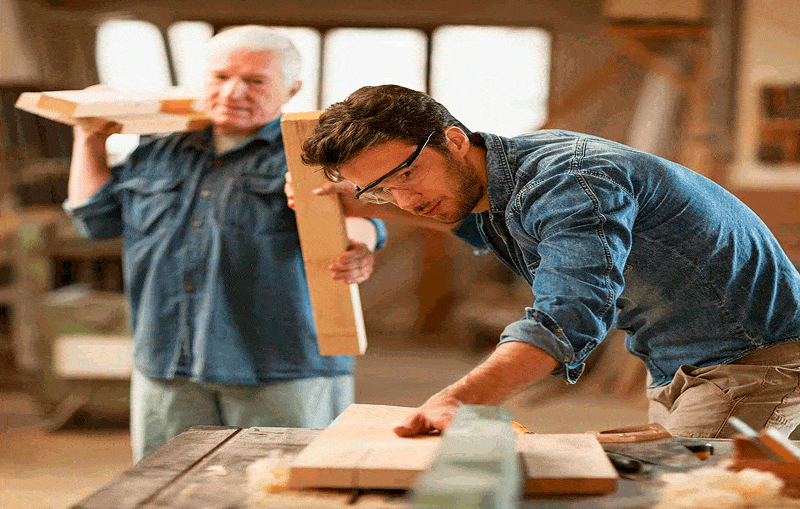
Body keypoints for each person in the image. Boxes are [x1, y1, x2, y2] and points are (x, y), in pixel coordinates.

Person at [299, 84, 800, 439]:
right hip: (679, 362)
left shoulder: (570, 182)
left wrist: (458, 399)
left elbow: (568, 316)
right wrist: (350, 201)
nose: (404, 201)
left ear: (452, 138)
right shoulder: (509, 169)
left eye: (406, 174)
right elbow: (463, 215)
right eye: (382, 190)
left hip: (752, 361)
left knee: (701, 496)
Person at [66, 26, 386, 461]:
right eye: (220, 78)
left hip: (280, 367)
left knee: (280, 490)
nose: (234, 91)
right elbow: (95, 221)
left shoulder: (315, 154)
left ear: (291, 89)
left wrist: (358, 250)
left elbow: (362, 222)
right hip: (168, 363)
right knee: (165, 490)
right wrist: (89, 138)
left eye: (256, 81)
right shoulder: (159, 151)